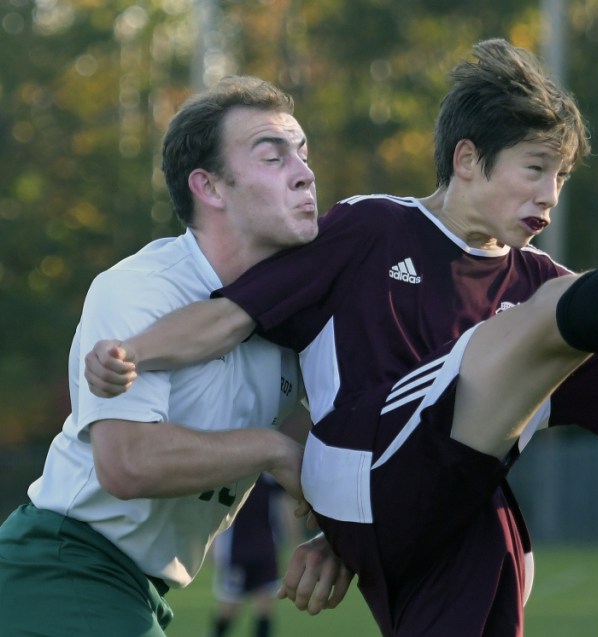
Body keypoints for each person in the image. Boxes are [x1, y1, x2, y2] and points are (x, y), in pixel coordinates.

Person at [85, 40, 598, 636]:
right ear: (469, 159)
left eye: (562, 177)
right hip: (357, 470)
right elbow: (230, 315)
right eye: (534, 169)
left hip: (447, 515)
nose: (549, 195)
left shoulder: (535, 281)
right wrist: (136, 354)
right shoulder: (371, 229)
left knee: (510, 514)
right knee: (536, 325)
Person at [0, 76, 350, 637]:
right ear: (209, 187)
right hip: (60, 565)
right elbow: (127, 463)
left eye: (303, 154)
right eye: (272, 156)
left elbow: (341, 435)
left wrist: (340, 536)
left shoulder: (298, 310)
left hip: (135, 587)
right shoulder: (141, 288)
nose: (305, 172)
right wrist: (271, 449)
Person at [209, 473, 289, 637]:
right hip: (237, 552)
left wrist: (289, 539)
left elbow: (283, 510)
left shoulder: (270, 478)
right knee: (230, 607)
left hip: (265, 550)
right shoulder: (233, 476)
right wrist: (213, 544)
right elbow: (216, 511)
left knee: (265, 607)